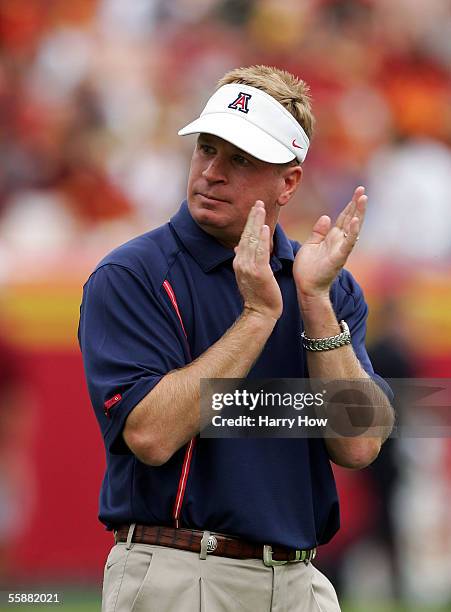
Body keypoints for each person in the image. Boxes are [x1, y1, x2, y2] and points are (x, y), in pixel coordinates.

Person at [78, 65, 394, 612]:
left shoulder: (325, 285)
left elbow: (360, 443)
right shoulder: (132, 275)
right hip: (178, 572)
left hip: (301, 580)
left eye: (240, 159)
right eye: (206, 149)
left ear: (289, 182)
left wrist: (315, 305)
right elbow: (151, 435)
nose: (212, 173)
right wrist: (256, 318)